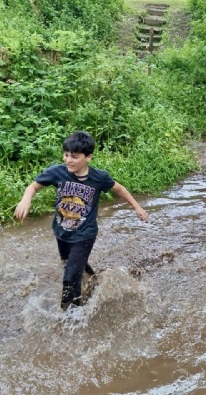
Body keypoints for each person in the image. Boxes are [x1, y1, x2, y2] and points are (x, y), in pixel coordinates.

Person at [14, 131, 149, 311]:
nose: (68, 160)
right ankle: (94, 280)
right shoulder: (57, 172)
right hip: (61, 232)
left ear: (88, 157)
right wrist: (26, 199)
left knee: (70, 277)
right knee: (70, 264)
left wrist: (137, 207)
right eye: (66, 155)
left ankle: (72, 314)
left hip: (85, 234)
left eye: (74, 157)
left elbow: (119, 189)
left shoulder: (99, 177)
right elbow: (33, 187)